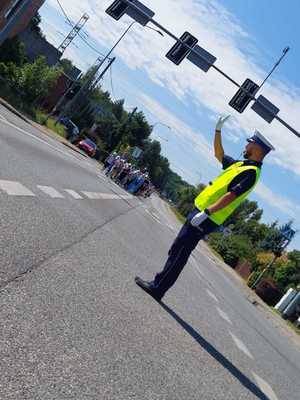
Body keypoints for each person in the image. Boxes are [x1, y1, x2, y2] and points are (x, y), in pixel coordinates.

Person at [135, 116, 275, 301]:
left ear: (257, 148)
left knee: (181, 252)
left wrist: (207, 212)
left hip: (208, 216)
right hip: (201, 212)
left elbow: (231, 195)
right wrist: (217, 131)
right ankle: (158, 284)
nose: (246, 146)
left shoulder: (251, 172)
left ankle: (158, 288)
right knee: (177, 248)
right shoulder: (241, 165)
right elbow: (219, 154)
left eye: (249, 143)